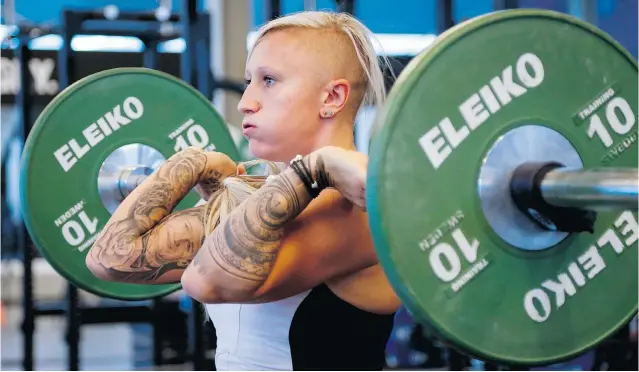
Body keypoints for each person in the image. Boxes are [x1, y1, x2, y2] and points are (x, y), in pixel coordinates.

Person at [86, 10, 402, 371]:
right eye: (250, 79)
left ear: (332, 97)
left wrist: (311, 172)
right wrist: (190, 161)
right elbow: (111, 259)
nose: (245, 101)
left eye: (269, 80)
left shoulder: (352, 209)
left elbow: (205, 281)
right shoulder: (272, 193)